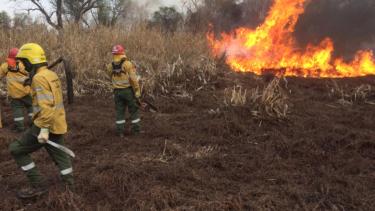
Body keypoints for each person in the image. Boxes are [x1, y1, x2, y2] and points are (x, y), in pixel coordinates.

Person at [9, 43, 74, 199]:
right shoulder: (49, 75)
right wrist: (31, 81)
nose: (23, 66)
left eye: (24, 62)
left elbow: (45, 106)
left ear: (31, 61)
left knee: (16, 149)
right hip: (57, 123)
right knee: (61, 156)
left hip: (44, 125)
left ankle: (37, 184)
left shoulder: (39, 78)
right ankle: (70, 186)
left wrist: (43, 129)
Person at [105, 44, 142, 137]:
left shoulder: (110, 66)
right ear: (122, 53)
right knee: (133, 110)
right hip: (128, 91)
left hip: (117, 92)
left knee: (120, 112)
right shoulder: (127, 64)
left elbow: (110, 76)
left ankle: (120, 132)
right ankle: (136, 131)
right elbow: (133, 79)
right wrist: (137, 90)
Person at [0, 48, 33, 132]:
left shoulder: (5, 66)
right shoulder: (23, 65)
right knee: (30, 106)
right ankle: (33, 124)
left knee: (17, 109)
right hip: (26, 91)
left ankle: (20, 127)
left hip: (14, 94)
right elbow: (32, 73)